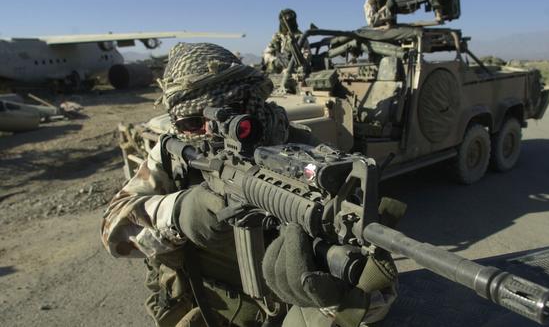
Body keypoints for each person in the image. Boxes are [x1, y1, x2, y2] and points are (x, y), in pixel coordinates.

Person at [101, 42, 396, 327]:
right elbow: (113, 233)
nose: (206, 134)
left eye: (223, 117)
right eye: (192, 124)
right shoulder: (175, 153)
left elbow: (377, 289)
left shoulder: (304, 153)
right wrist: (179, 213)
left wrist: (335, 294)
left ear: (248, 102)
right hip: (204, 304)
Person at [262, 9, 311, 74]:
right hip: (277, 71)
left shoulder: (300, 37)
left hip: (293, 71)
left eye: (291, 19)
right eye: (286, 19)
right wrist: (275, 61)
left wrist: (294, 66)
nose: (289, 22)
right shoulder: (277, 37)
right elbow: (267, 53)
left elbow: (307, 55)